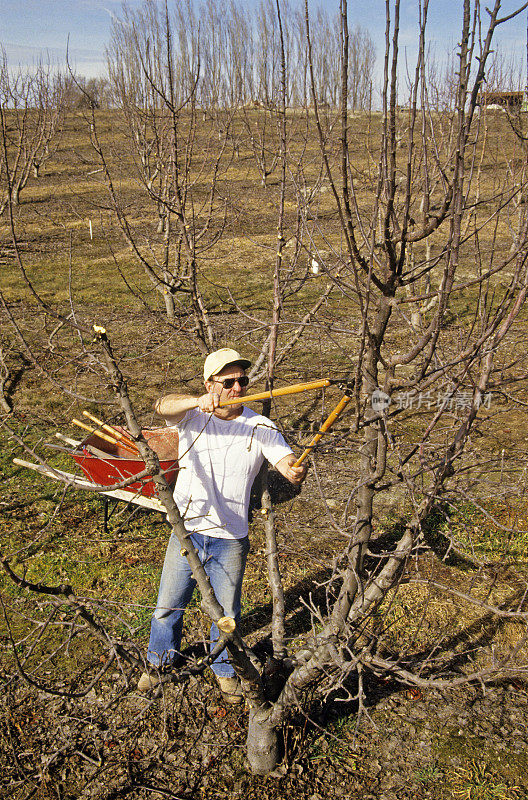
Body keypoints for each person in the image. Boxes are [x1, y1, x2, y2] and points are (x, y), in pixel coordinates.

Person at [138, 348, 306, 700]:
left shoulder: (259, 426)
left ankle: (225, 670)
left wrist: (292, 467)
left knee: (227, 614)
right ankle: (159, 663)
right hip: (187, 531)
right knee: (168, 605)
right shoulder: (191, 417)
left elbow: (283, 456)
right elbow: (161, 405)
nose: (237, 388)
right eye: (228, 381)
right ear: (210, 384)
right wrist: (196, 401)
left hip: (231, 538)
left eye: (242, 381)